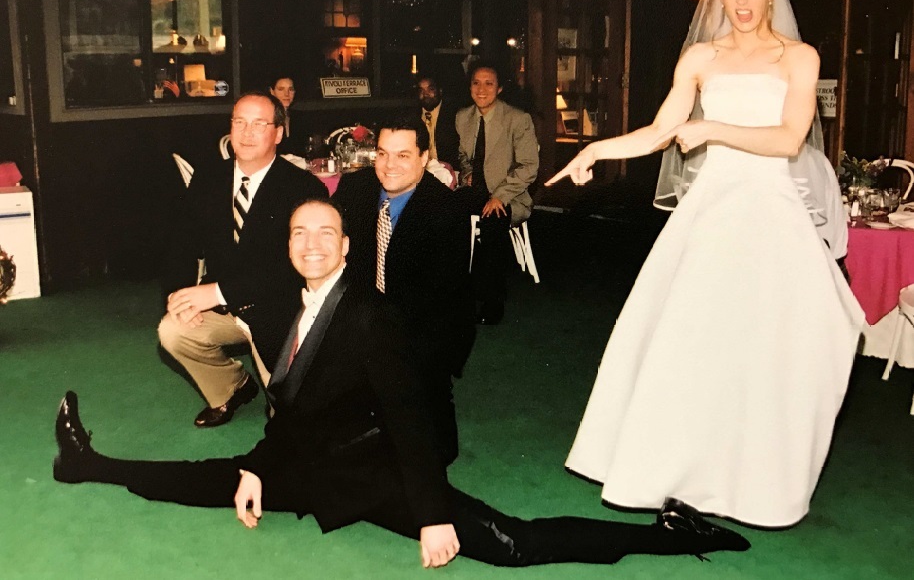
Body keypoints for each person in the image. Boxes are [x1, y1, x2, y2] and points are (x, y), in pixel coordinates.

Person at [53, 199, 750, 569]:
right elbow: (287, 411)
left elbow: (410, 419)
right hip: (309, 459)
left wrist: (432, 512)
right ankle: (84, 463)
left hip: (374, 468)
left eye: (327, 233)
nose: (314, 244)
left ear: (347, 247)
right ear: (290, 246)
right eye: (302, 234)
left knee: (510, 545)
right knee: (211, 478)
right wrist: (260, 467)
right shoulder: (286, 307)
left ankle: (673, 535)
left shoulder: (369, 315)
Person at [547, 0, 865, 528]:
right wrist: (596, 148)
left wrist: (712, 126)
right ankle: (677, 474)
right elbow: (660, 131)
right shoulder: (700, 57)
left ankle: (758, 485)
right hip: (713, 210)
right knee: (692, 344)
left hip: (770, 211)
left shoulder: (799, 57)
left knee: (785, 345)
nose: (741, 3)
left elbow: (790, 139)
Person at [159, 91, 328, 428]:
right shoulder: (209, 177)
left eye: (259, 124)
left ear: (278, 133)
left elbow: (295, 272)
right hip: (225, 308)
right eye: (240, 123)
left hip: (281, 313)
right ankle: (232, 388)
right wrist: (178, 294)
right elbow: (181, 242)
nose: (247, 133)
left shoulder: (303, 189)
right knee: (172, 330)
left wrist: (218, 292)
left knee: (292, 424)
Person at [333, 116, 474, 466]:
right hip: (363, 315)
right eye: (382, 154)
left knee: (428, 452)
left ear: (424, 158)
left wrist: (385, 341)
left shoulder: (445, 209)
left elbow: (443, 298)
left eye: (403, 156)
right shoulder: (355, 190)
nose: (389, 166)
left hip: (422, 327)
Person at [456, 62, 539, 325]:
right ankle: (454, 293)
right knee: (442, 212)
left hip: (510, 194)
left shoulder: (517, 119)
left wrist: (499, 196)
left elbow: (529, 167)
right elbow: (462, 156)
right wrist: (466, 173)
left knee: (492, 223)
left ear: (500, 88)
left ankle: (493, 302)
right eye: (476, 83)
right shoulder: (462, 117)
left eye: (489, 83)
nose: (481, 89)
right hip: (476, 190)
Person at [417, 75, 460, 169]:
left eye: (430, 89)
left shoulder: (454, 115)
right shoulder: (413, 116)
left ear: (439, 91)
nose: (425, 94)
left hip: (448, 170)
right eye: (421, 90)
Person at [268, 75, 310, 156]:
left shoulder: (299, 117)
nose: (286, 94)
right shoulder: (266, 117)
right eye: (281, 89)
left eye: (291, 89)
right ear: (272, 91)